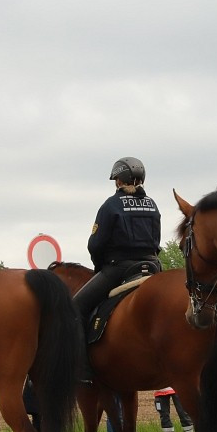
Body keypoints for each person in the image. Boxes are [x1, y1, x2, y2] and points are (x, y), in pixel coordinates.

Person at [72, 157, 161, 377]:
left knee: (75, 307)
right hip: (152, 267)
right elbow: (157, 242)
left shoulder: (111, 205)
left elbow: (96, 244)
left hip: (119, 268)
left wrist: (99, 267)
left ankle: (82, 369)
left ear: (118, 181)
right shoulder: (152, 204)